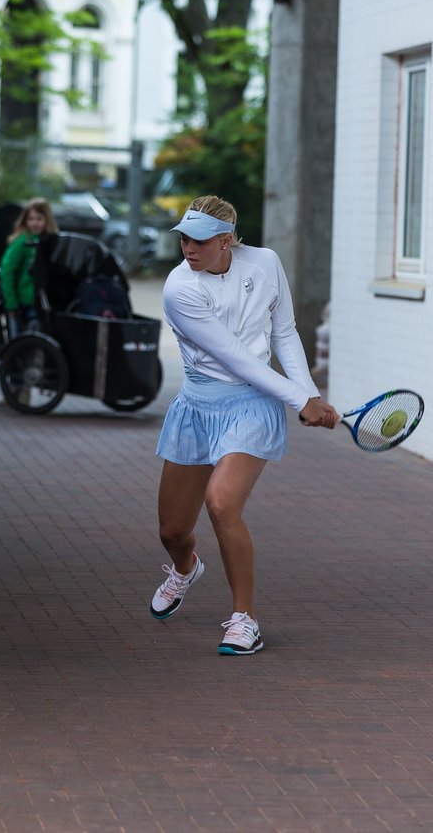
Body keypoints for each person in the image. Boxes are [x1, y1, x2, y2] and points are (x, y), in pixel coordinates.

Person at [150, 195, 339, 655]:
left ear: (226, 240)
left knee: (221, 504)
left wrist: (308, 392)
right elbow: (233, 357)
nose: (188, 249)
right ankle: (185, 568)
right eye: (183, 240)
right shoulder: (180, 290)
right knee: (172, 531)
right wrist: (302, 400)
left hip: (253, 405)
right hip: (199, 404)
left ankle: (243, 619)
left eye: (199, 241)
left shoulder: (266, 264)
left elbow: (284, 332)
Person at [0, 198, 59, 335]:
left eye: (39, 219)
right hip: (24, 300)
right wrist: (11, 303)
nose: (34, 223)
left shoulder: (51, 241)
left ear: (47, 220)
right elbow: (7, 271)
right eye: (31, 219)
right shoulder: (22, 242)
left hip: (42, 300)